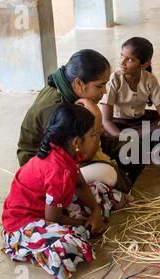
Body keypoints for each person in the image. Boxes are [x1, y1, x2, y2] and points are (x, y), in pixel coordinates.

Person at [2, 104, 130, 279]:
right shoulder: (58, 172)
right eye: (93, 135)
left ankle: (87, 222)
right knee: (71, 242)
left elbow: (80, 184)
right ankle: (35, 248)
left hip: (51, 208)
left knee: (99, 189)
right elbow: (53, 218)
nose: (97, 138)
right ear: (77, 142)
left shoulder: (65, 151)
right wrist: (86, 222)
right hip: (24, 223)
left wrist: (95, 211)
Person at [17, 49, 137, 193]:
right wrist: (97, 118)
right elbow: (85, 155)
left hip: (70, 148)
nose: (104, 91)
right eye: (99, 86)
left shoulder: (64, 84)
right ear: (78, 83)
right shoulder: (57, 108)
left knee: (130, 144)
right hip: (41, 167)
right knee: (110, 174)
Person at [100, 37, 160, 138]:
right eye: (122, 56)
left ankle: (139, 137)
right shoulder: (114, 79)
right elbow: (106, 121)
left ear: (144, 65)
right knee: (105, 134)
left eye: (130, 60)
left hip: (141, 121)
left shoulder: (149, 79)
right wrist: (121, 137)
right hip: (119, 123)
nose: (122, 62)